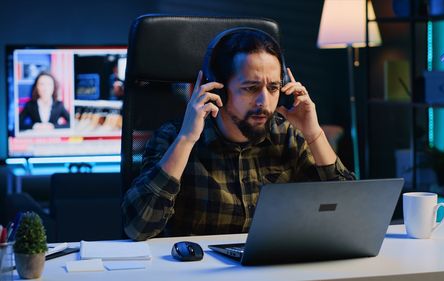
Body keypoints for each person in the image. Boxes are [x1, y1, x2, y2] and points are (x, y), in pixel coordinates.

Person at [122, 28, 355, 241]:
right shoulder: (174, 136)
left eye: (273, 88)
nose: (265, 101)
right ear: (217, 87)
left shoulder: (288, 135)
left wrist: (314, 134)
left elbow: (351, 215)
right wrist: (187, 139)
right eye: (251, 88)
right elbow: (138, 228)